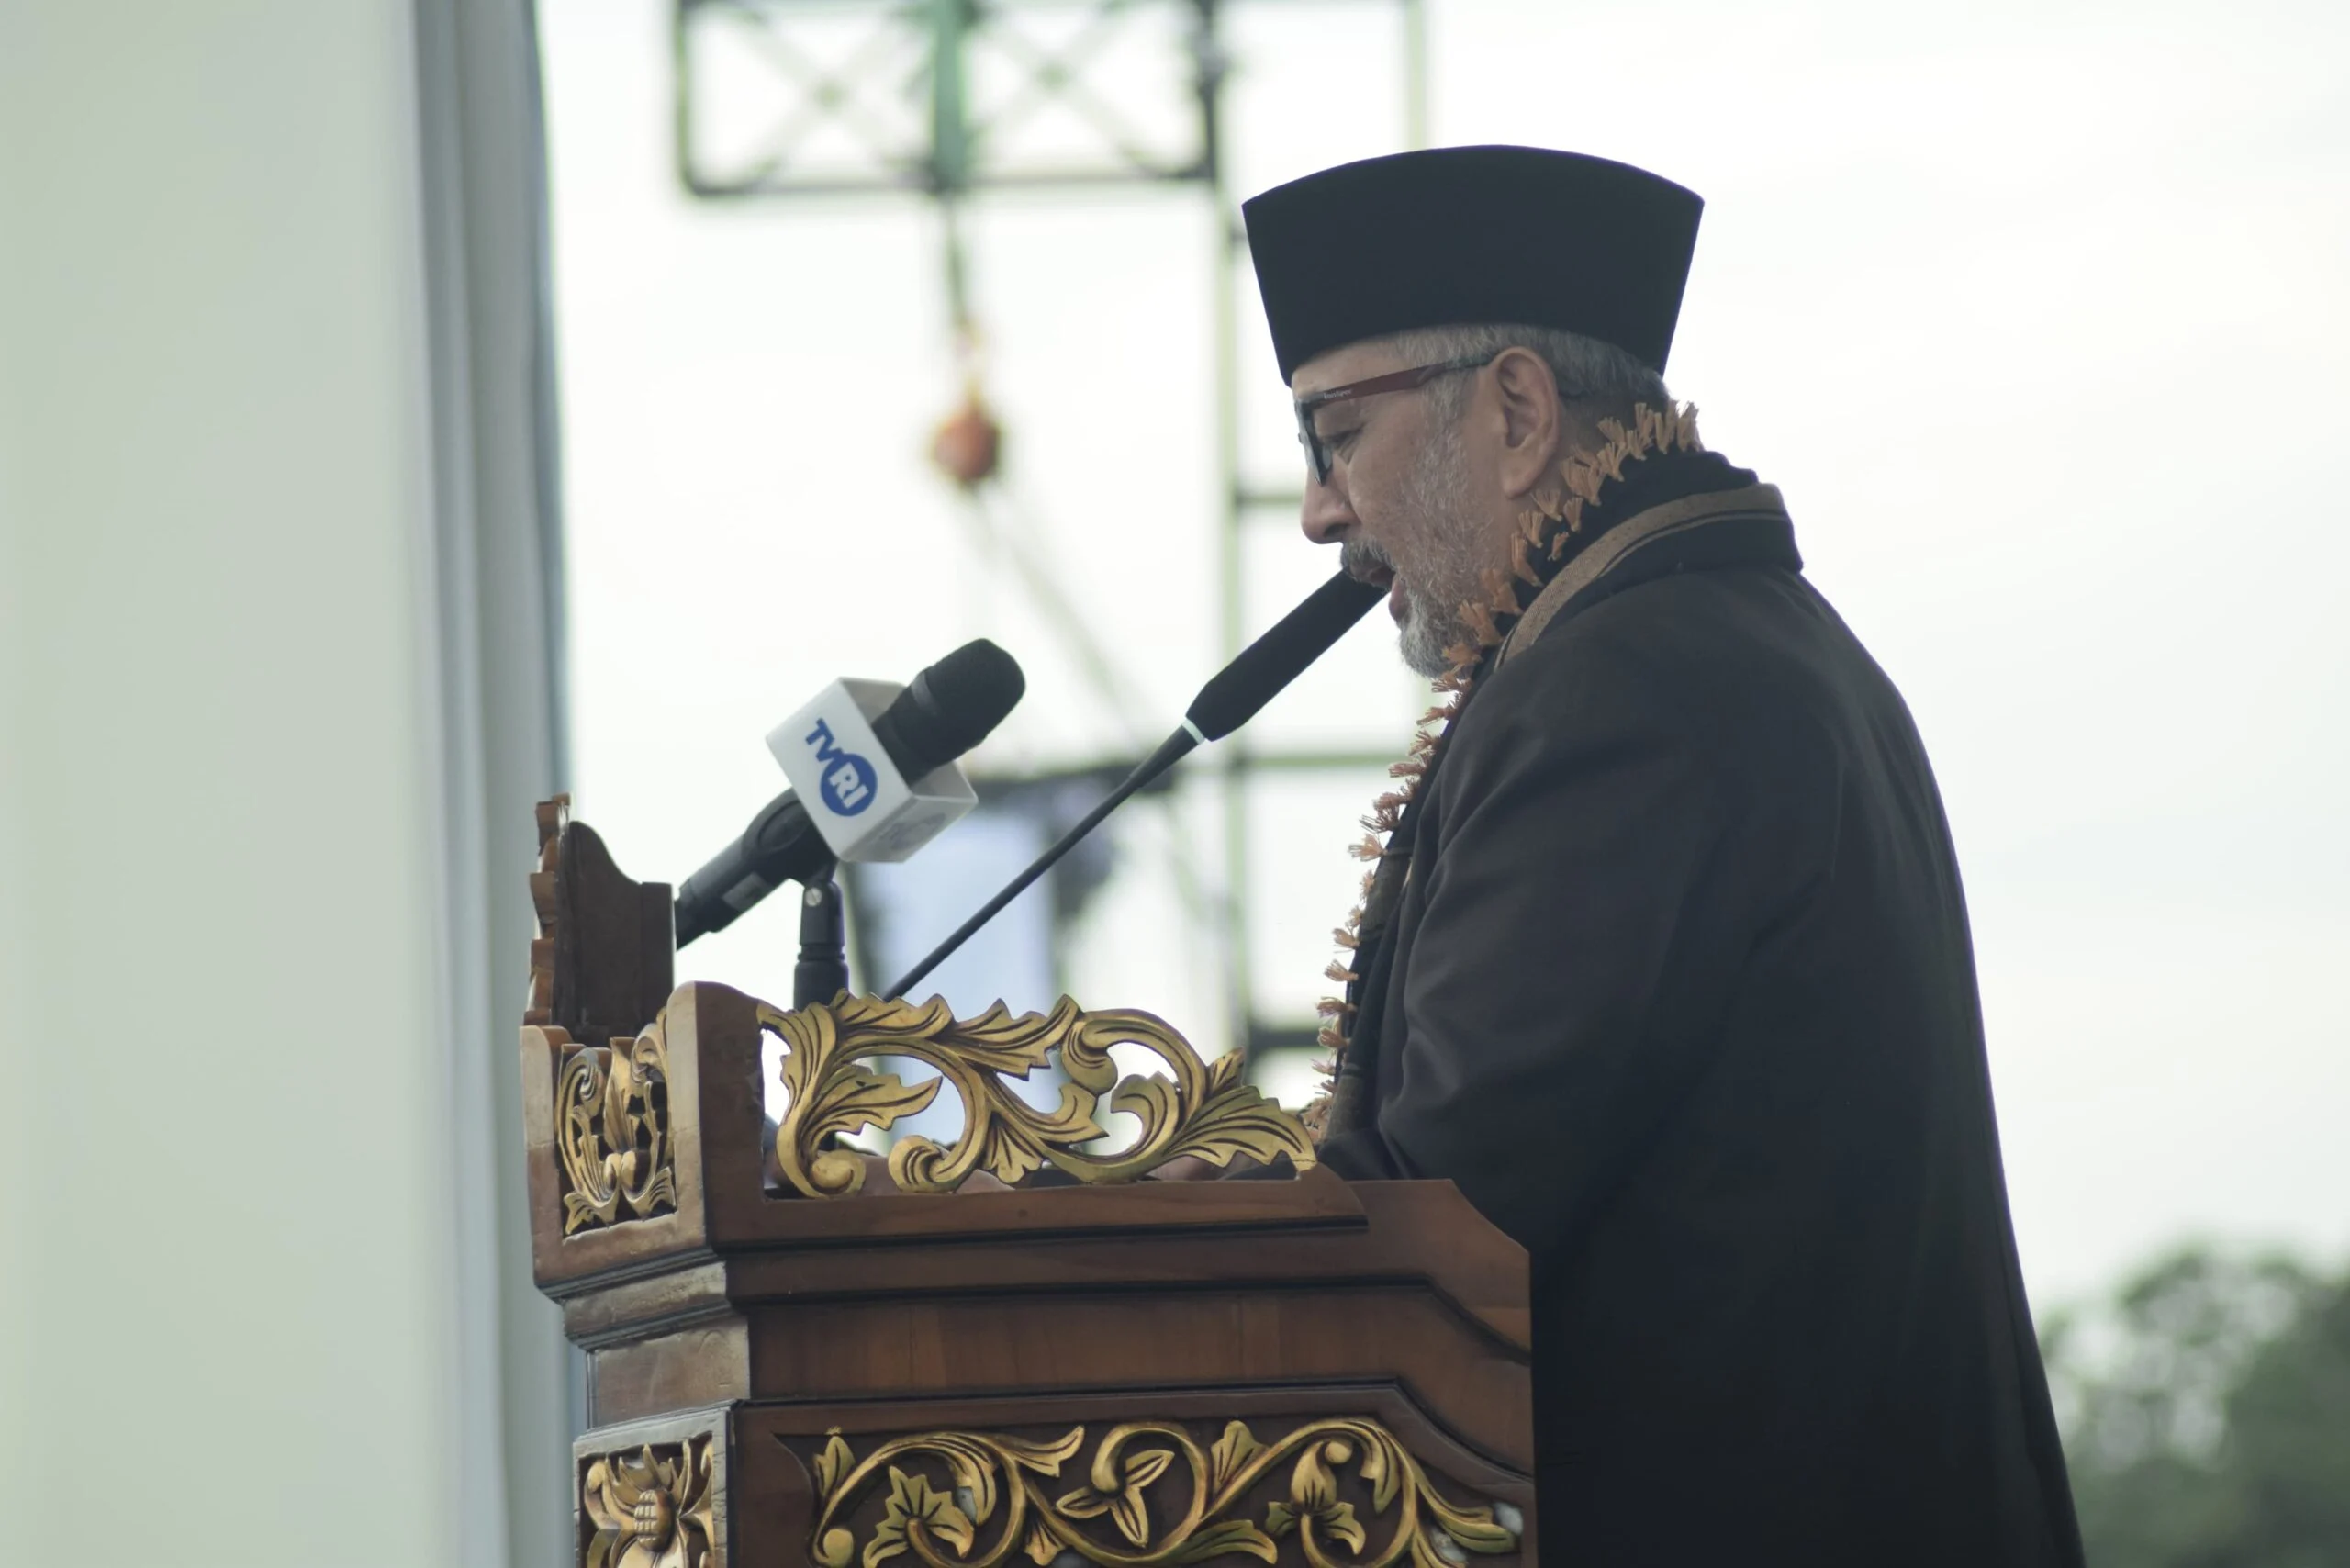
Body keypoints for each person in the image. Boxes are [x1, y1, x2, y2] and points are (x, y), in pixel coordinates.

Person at [1239, 146, 2085, 1565]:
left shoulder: (1625, 694)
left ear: (1513, 408)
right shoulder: (1735, 643)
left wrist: (1135, 1235)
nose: (1322, 509)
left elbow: (1447, 1219)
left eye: (1336, 434)